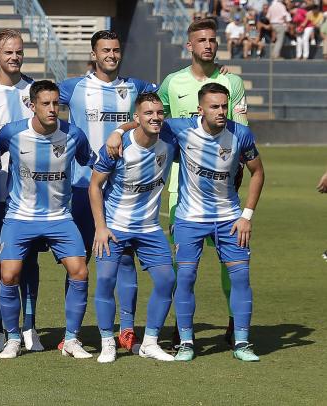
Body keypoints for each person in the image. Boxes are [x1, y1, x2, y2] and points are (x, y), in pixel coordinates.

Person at [108, 82, 265, 362]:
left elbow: (258, 172)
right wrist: (118, 132)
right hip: (190, 218)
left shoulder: (240, 133)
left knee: (241, 276)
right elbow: (147, 121)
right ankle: (186, 342)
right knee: (186, 277)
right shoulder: (180, 128)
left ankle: (242, 342)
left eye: (224, 106)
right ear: (200, 109)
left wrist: (247, 215)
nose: (221, 111)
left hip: (230, 218)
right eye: (214, 106)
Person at [57, 30, 158, 354]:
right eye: (105, 50)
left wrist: (119, 129)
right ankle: (72, 333)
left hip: (120, 193)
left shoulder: (137, 87)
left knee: (124, 261)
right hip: (80, 186)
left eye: (115, 50)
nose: (111, 55)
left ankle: (126, 330)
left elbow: (155, 111)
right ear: (94, 53)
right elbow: (33, 95)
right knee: (79, 262)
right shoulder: (73, 87)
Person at [0, 80, 95, 360]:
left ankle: (72, 340)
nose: (53, 109)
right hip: (19, 217)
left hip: (60, 217)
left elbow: (93, 162)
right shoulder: (12, 133)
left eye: (56, 104)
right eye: (46, 104)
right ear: (32, 105)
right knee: (8, 275)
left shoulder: (74, 135)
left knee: (80, 271)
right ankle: (13, 338)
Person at [88, 92, 176, 363]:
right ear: (136, 118)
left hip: (149, 228)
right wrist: (100, 228)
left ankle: (150, 341)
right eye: (148, 113)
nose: (155, 117)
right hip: (114, 227)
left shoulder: (170, 139)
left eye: (159, 113)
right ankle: (107, 342)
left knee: (167, 280)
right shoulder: (117, 147)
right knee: (104, 280)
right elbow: (94, 186)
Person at [0, 29, 43, 354]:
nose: (14, 57)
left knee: (28, 262)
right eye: (8, 53)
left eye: (18, 52)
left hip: (32, 195)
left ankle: (30, 326)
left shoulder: (36, 91)